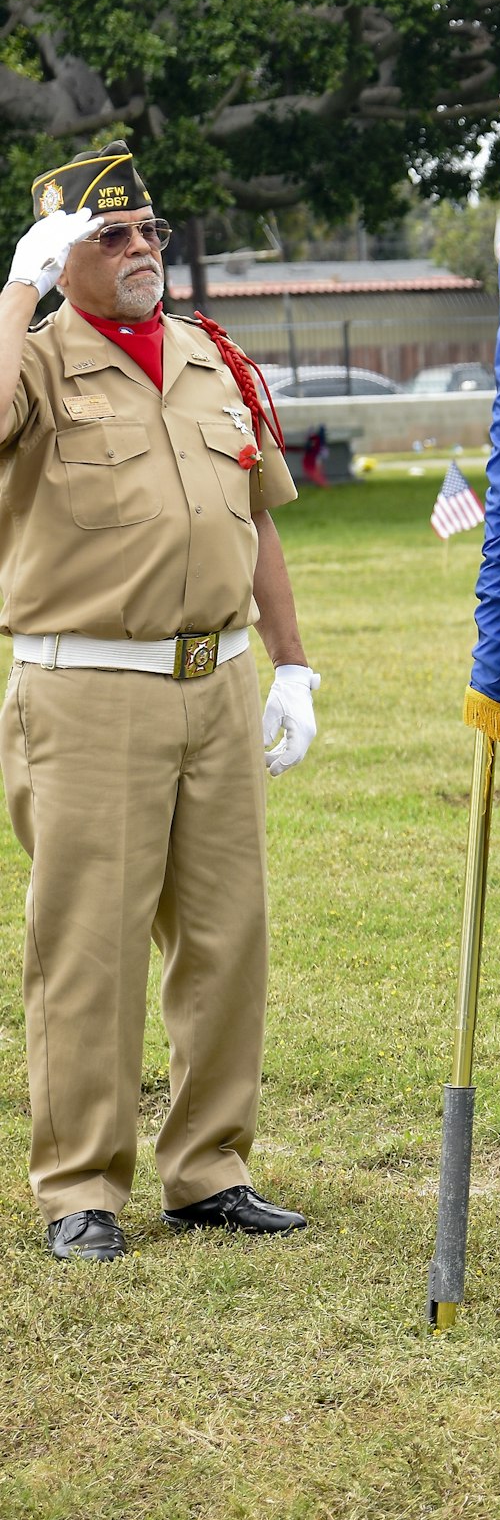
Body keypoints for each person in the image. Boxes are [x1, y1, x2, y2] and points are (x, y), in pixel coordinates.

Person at [0, 141, 319, 1261]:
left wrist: (292, 662)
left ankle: (209, 1169)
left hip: (217, 680)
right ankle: (80, 1185)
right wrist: (16, 290)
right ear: (61, 255)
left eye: (150, 233)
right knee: (89, 944)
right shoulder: (35, 361)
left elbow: (256, 515)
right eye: (111, 236)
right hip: (87, 688)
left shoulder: (205, 356)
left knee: (228, 936)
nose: (143, 251)